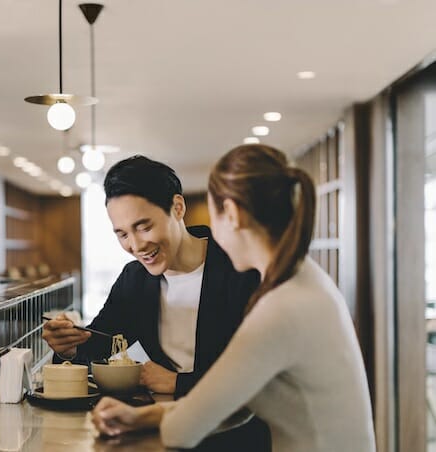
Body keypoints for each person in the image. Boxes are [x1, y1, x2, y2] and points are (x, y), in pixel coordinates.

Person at [91, 145, 376, 452]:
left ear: (232, 214)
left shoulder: (282, 307)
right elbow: (233, 404)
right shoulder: (303, 279)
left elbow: (182, 432)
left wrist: (148, 417)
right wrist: (143, 415)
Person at [43, 155, 270, 451]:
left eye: (144, 226)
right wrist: (69, 345)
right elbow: (101, 343)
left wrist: (176, 382)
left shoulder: (240, 270)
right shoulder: (134, 279)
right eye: (122, 234)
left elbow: (256, 378)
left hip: (231, 438)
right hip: (160, 437)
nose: (136, 246)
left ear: (177, 207)